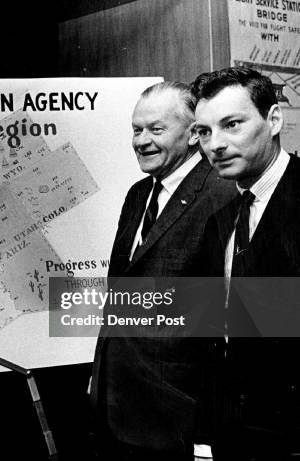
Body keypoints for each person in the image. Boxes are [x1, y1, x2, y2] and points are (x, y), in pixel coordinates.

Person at [89, 82, 235, 460]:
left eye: (156, 129)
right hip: (118, 407)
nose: (142, 141)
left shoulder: (223, 195)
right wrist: (100, 376)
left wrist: (208, 431)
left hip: (180, 420)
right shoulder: (138, 194)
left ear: (191, 135)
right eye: (137, 130)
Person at [193, 67, 300, 460]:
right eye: (204, 131)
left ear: (274, 120)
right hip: (237, 435)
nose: (215, 144)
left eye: (232, 124)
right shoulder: (221, 221)